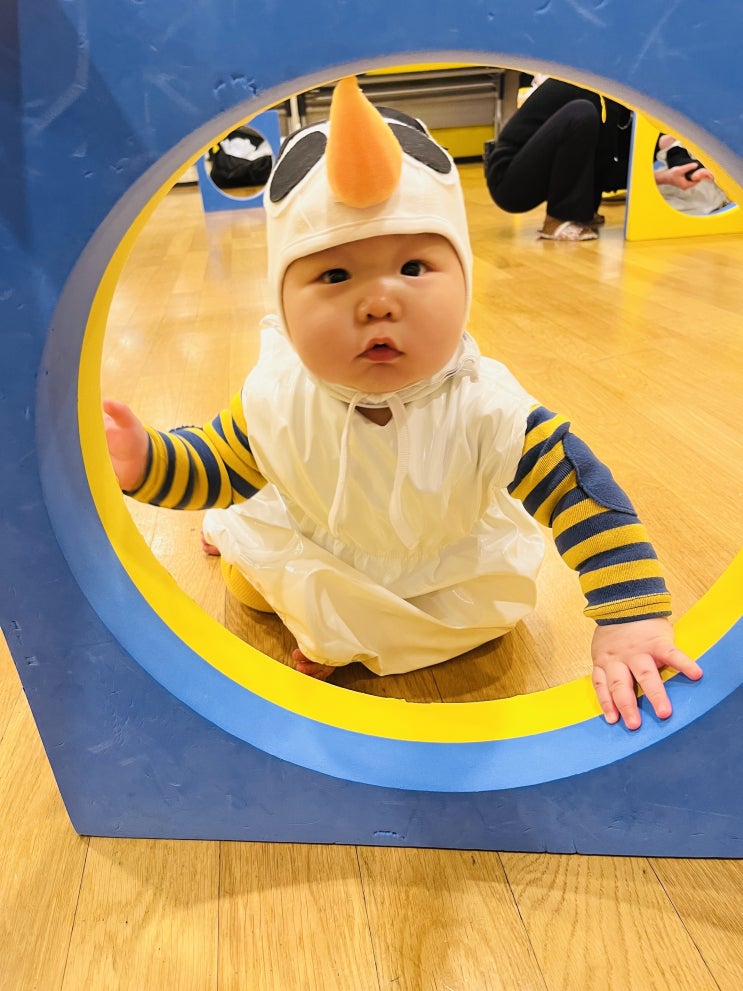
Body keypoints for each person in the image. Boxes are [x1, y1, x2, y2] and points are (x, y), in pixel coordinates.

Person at [104, 76, 702, 730]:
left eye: (414, 268)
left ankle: (342, 629)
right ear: (281, 303)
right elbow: (216, 465)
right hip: (324, 543)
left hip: (447, 565)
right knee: (249, 585)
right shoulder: (277, 396)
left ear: (465, 280)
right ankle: (305, 597)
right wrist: (145, 461)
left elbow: (578, 492)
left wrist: (630, 616)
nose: (379, 302)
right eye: (335, 274)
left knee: (485, 624)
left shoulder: (485, 405)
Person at [483, 77, 633, 240]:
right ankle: (558, 219)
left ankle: (582, 214)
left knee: (587, 120)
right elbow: (606, 167)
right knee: (582, 113)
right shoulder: (596, 90)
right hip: (508, 180)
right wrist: (648, 176)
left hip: (521, 172)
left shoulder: (607, 90)